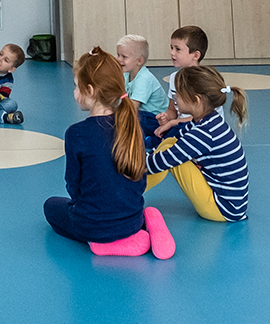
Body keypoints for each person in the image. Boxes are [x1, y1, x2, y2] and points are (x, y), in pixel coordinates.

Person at [43, 46, 174, 259]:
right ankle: (147, 222)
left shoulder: (76, 133)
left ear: (91, 90)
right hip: (132, 220)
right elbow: (140, 180)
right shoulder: (134, 122)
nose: (74, 93)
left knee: (50, 206)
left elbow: (73, 186)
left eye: (77, 87)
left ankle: (103, 244)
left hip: (91, 226)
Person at [145, 65, 249, 223]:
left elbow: (164, 160)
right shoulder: (206, 121)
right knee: (170, 143)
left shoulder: (204, 132)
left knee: (171, 157)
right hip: (229, 205)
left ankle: (126, 192)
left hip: (222, 209)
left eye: (178, 93)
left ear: (196, 100)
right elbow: (177, 138)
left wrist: (132, 162)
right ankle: (130, 186)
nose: (174, 97)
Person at [153, 25, 208, 136]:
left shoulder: (204, 81)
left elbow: (201, 117)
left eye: (178, 49)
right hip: (180, 125)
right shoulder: (174, 77)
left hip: (200, 128)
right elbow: (173, 110)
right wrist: (166, 117)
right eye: (171, 48)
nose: (172, 53)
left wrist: (172, 123)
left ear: (196, 55)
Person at [116, 34, 168, 116]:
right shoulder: (127, 74)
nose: (118, 59)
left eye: (124, 57)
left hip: (154, 117)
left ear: (139, 61)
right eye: (118, 55)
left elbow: (133, 107)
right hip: (142, 113)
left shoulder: (144, 79)